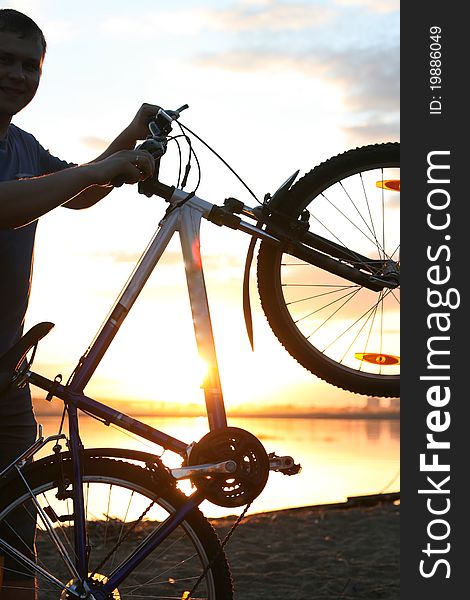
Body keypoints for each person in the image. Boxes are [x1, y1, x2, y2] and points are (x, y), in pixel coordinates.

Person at [0, 8, 158, 598]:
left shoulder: (22, 144)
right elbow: (9, 206)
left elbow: (81, 190)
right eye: (5, 60)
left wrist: (129, 139)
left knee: (17, 534)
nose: (18, 75)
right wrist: (111, 166)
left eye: (30, 65)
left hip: (7, 368)